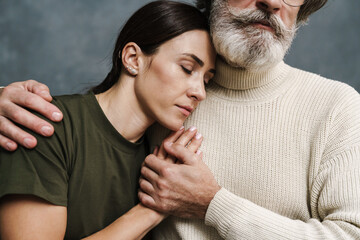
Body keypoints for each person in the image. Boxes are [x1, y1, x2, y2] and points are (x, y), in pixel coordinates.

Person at [1, 0, 360, 239]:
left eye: (204, 78)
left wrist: (211, 203)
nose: (273, 1)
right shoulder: (154, 110)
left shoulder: (336, 107)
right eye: (187, 68)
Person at [0, 1, 216, 239]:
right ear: (133, 58)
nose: (200, 92)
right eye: (187, 68)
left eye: (206, 80)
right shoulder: (45, 125)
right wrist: (151, 209)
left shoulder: (160, 161)